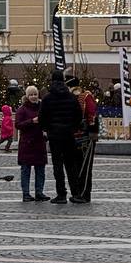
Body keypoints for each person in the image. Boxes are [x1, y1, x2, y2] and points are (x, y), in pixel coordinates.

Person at [39, 71, 83, 204]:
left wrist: (47, 129)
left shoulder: (47, 98)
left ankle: (61, 194)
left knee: (57, 165)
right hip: (69, 135)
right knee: (71, 165)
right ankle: (76, 193)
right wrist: (73, 128)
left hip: (54, 135)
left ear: (52, 81)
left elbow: (42, 117)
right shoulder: (71, 97)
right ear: (63, 81)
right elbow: (78, 115)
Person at [67, 74, 99, 202]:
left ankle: (84, 194)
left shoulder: (85, 96)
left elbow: (92, 115)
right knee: (75, 166)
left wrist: (93, 131)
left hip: (85, 136)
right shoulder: (70, 97)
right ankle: (78, 192)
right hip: (73, 135)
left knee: (85, 167)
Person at [15, 85, 48, 201]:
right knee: (26, 170)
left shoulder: (42, 108)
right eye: (31, 95)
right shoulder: (22, 109)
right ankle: (26, 193)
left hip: (39, 143)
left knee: (40, 170)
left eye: (35, 94)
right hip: (27, 144)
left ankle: (39, 192)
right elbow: (18, 125)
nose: (34, 97)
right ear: (27, 96)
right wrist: (31, 121)